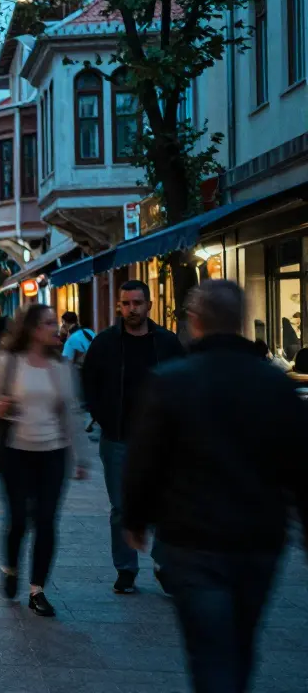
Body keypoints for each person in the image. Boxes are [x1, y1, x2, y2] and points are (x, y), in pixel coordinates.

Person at [123, 280, 308, 693]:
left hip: (193, 538)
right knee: (241, 644)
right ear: (240, 322)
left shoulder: (171, 380)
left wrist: (136, 518)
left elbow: (145, 458)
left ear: (194, 322)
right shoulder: (276, 385)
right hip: (259, 539)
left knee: (209, 652)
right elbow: (300, 463)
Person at [0, 305, 87, 617]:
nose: (55, 328)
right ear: (33, 328)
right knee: (18, 520)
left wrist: (82, 456)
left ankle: (37, 589)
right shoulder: (8, 360)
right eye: (49, 323)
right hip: (16, 451)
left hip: (53, 452)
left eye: (55, 323)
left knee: (47, 520)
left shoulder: (62, 365)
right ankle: (10, 567)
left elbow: (71, 412)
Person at [81, 280, 186, 594]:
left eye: (137, 303)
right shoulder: (105, 343)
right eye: (126, 303)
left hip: (162, 441)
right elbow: (90, 383)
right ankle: (125, 569)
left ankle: (163, 563)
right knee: (121, 508)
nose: (131, 309)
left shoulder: (167, 343)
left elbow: (183, 382)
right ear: (119, 306)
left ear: (149, 305)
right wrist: (104, 417)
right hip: (118, 437)